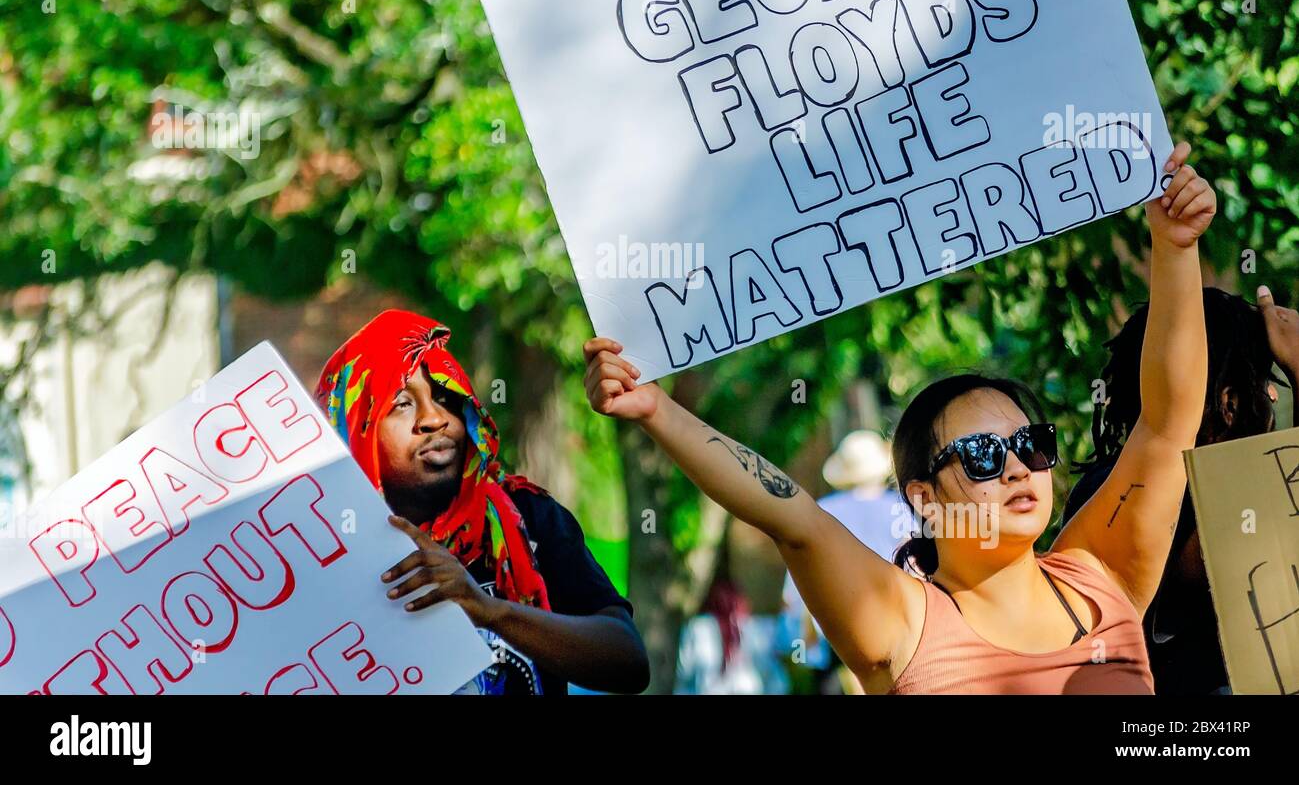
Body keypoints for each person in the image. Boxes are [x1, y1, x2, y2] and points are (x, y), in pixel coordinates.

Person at [583, 142, 1215, 694]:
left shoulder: (1099, 579)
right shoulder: (901, 619)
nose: (1019, 466)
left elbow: (1166, 425)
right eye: (984, 456)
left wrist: (1174, 247)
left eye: (1033, 444)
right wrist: (656, 410)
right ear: (924, 497)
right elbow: (791, 517)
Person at [315, 309, 649, 695]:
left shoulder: (526, 515)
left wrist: (491, 612)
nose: (433, 418)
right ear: (357, 430)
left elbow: (629, 662)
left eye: (445, 396)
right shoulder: (327, 552)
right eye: (402, 403)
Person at [1062, 284, 1298, 693]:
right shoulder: (1129, 492)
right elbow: (1269, 557)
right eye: (1264, 384)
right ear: (1230, 403)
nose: (1273, 400)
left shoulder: (1106, 488)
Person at [780, 430, 913, 693]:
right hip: (898, 627)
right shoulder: (903, 509)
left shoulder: (824, 510)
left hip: (836, 632)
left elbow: (796, 586)